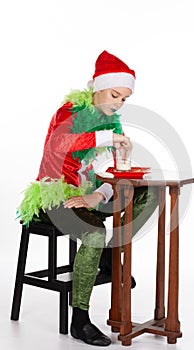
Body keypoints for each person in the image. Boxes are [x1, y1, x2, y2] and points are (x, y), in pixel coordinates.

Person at [18, 50, 158, 346]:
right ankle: (80, 321)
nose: (119, 103)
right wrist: (106, 139)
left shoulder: (113, 124)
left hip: (88, 198)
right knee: (94, 233)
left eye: (124, 99)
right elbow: (58, 144)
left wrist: (103, 189)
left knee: (148, 192)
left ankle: (111, 253)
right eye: (115, 95)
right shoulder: (69, 112)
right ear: (98, 88)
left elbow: (107, 172)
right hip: (55, 197)